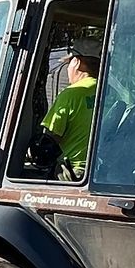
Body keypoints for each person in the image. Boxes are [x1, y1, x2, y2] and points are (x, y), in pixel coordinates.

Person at [41, 47, 100, 175]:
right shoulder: (110, 91)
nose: (67, 69)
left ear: (77, 62)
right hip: (100, 169)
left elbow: (52, 136)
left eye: (68, 64)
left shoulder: (71, 94)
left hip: (74, 170)